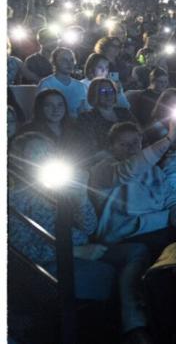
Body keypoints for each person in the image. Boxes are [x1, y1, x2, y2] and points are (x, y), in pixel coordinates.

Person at [8, 131, 153, 343]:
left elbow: (89, 228)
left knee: (138, 251)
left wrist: (81, 198)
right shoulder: (14, 200)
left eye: (47, 152)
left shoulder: (58, 185)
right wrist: (73, 251)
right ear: (20, 161)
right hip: (53, 265)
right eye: (35, 154)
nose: (43, 157)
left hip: (86, 250)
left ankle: (131, 321)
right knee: (114, 275)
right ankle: (131, 328)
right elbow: (23, 249)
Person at [89, 121, 176, 257]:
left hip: (163, 226)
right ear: (111, 148)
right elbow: (129, 170)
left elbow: (172, 201)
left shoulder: (154, 170)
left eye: (135, 142)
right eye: (123, 144)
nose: (131, 148)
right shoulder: (103, 169)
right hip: (128, 234)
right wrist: (169, 139)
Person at [75, 78, 137, 161]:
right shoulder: (86, 117)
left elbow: (139, 134)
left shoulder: (124, 112)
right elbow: (90, 147)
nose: (108, 95)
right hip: (106, 162)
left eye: (111, 91)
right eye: (103, 92)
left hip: (133, 157)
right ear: (94, 95)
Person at [36, 47, 89, 118]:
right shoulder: (46, 84)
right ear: (54, 62)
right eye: (64, 60)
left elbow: (84, 112)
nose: (69, 63)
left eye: (71, 60)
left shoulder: (81, 86)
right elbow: (39, 111)